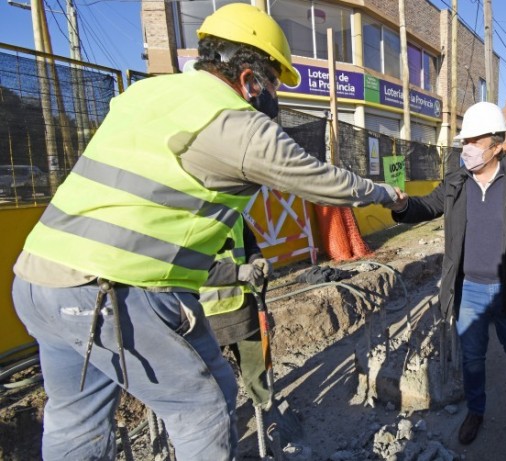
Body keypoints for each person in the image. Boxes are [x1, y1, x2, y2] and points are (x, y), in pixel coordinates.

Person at [11, 4, 398, 459]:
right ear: (251, 77)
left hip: (38, 282)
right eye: (273, 82)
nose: (274, 94)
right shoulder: (234, 121)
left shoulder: (146, 94)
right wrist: (385, 193)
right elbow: (320, 180)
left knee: (77, 417)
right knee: (203, 409)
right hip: (112, 293)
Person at [388, 102, 506, 445]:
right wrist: (404, 206)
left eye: (474, 142)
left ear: (496, 146)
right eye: (465, 142)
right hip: (470, 289)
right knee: (472, 357)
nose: (467, 149)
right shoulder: (456, 182)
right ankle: (476, 410)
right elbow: (428, 206)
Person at [200, 218, 272, 409]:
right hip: (207, 316)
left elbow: (249, 244)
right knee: (209, 378)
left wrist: (256, 260)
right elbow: (189, 266)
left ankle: (265, 406)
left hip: (244, 310)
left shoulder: (235, 213)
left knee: (256, 369)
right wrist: (236, 272)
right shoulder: (190, 215)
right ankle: (218, 417)